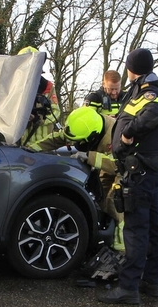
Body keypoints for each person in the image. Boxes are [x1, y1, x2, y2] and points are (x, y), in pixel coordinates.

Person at [100, 48, 158, 305]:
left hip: (139, 172)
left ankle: (128, 288)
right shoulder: (146, 88)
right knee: (154, 228)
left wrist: (127, 134)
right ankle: (151, 283)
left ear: (132, 68)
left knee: (136, 230)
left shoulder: (149, 92)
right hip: (148, 170)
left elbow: (153, 115)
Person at [34, 105, 124, 252]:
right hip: (107, 165)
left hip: (126, 169)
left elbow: (118, 164)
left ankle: (122, 251)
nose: (76, 145)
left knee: (116, 202)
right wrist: (30, 150)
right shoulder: (82, 126)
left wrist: (90, 157)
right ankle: (105, 240)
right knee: (100, 200)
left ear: (92, 137)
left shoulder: (116, 135)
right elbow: (57, 139)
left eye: (80, 142)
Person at [17, 46, 62, 150]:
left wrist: (41, 119)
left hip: (44, 146)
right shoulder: (15, 88)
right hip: (21, 145)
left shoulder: (48, 86)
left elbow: (56, 112)